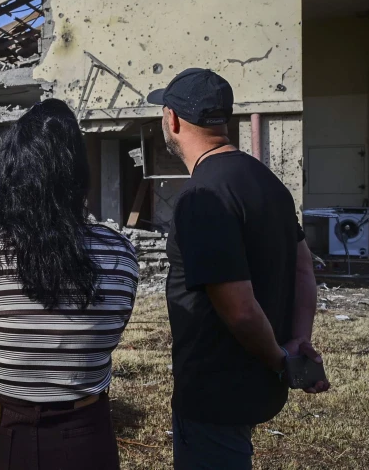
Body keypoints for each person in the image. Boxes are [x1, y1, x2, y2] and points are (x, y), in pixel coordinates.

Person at [147, 68, 330, 470]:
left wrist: (281, 360)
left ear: (172, 120)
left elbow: (241, 310)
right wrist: (298, 340)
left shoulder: (201, 196)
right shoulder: (266, 180)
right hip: (257, 389)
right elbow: (303, 268)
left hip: (216, 395)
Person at [0, 99, 138, 470]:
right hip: (86, 438)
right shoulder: (120, 254)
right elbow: (112, 329)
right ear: (79, 173)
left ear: (11, 170)